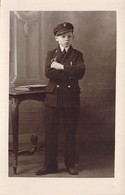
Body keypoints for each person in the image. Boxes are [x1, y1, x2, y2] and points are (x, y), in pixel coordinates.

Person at [36, 22, 85, 175]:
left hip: (71, 98)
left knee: (70, 132)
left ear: (73, 37)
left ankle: (70, 164)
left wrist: (61, 67)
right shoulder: (51, 54)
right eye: (62, 36)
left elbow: (81, 72)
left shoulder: (78, 54)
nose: (66, 39)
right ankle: (49, 165)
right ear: (56, 38)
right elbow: (48, 73)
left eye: (69, 36)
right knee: (51, 132)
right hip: (53, 98)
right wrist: (69, 73)